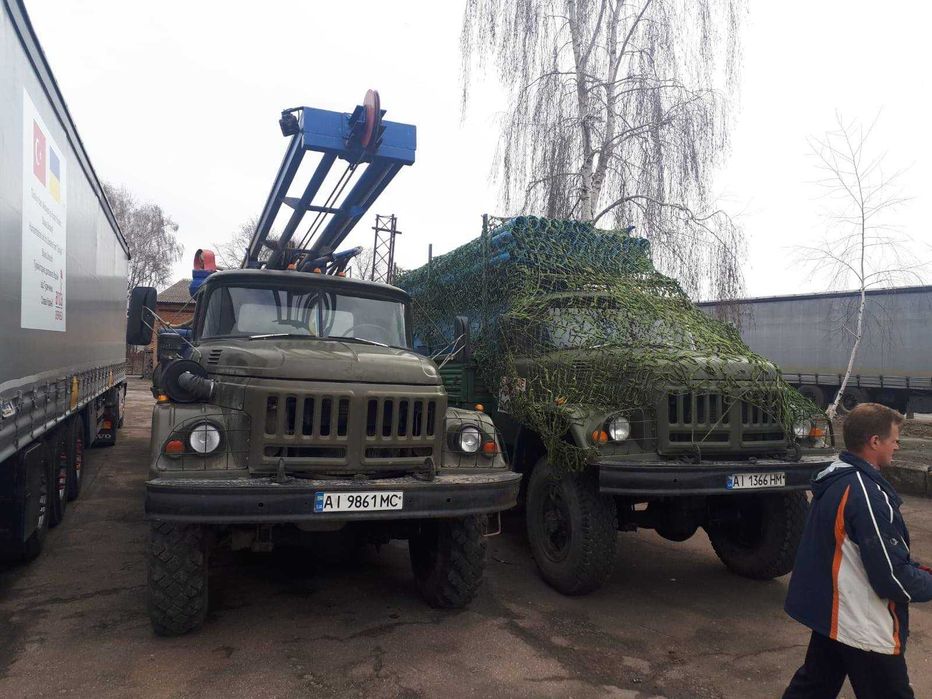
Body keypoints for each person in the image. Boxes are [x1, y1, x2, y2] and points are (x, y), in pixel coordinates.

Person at [782, 402, 932, 698]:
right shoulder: (867, 495)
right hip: (863, 624)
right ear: (874, 442)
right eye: (894, 440)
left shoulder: (836, 476)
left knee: (812, 688)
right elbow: (892, 576)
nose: (898, 447)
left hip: (834, 615)